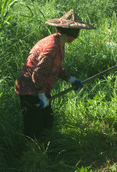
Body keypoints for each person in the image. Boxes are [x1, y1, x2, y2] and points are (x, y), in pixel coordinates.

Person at [15, 9, 96, 140]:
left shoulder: (59, 42)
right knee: (33, 128)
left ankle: (45, 152)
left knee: (47, 123)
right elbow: (37, 73)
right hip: (30, 90)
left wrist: (70, 79)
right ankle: (30, 155)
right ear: (73, 33)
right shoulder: (52, 47)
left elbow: (54, 67)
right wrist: (41, 95)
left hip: (39, 88)